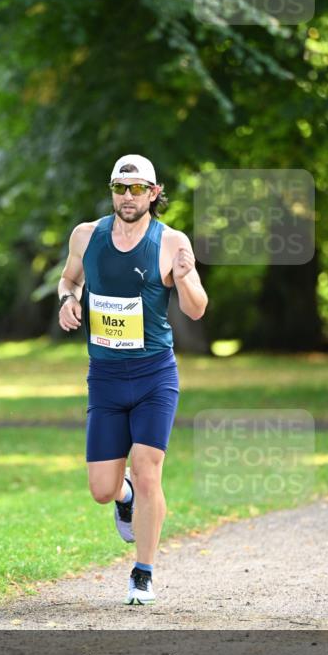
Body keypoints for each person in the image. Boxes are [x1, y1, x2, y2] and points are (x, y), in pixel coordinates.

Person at [58, 155, 208, 605]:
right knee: (102, 490)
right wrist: (67, 300)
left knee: (148, 472)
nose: (128, 197)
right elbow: (69, 281)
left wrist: (184, 280)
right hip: (104, 376)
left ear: (154, 193)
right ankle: (122, 496)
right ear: (112, 192)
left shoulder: (171, 242)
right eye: (121, 189)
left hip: (153, 375)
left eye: (138, 189)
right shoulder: (86, 236)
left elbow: (197, 308)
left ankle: (142, 573)